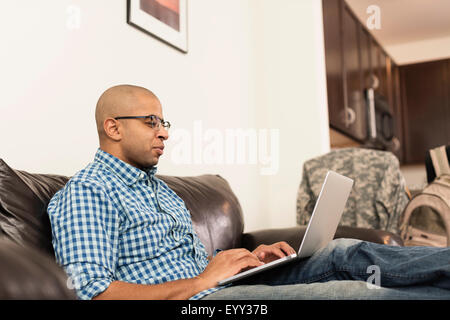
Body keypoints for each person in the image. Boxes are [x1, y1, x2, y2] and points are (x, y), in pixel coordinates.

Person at [47, 85, 450, 300]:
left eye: (164, 121)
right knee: (355, 294)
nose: (164, 131)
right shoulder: (88, 193)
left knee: (344, 252)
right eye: (151, 121)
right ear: (113, 127)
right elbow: (94, 293)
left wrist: (241, 260)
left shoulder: (160, 189)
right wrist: (205, 279)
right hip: (198, 301)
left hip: (224, 285)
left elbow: (185, 262)